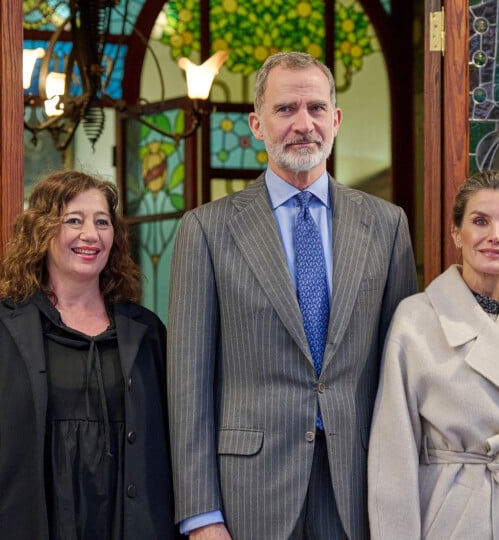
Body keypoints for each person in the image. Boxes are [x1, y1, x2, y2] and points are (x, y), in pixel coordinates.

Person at [167, 51, 418, 540]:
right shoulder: (206, 229)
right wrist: (201, 516)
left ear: (336, 119)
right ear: (257, 124)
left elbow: (402, 372)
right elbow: (187, 384)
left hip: (358, 488)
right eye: (286, 110)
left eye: (316, 108)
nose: (304, 124)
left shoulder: (387, 225)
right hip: (249, 493)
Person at [0, 170, 180, 540]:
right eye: (73, 221)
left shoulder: (148, 332)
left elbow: (178, 446)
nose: (90, 235)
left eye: (102, 222)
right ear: (42, 231)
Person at [368, 169, 499, 539]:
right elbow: (392, 456)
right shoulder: (415, 319)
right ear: (455, 232)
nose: (495, 236)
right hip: (448, 514)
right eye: (480, 221)